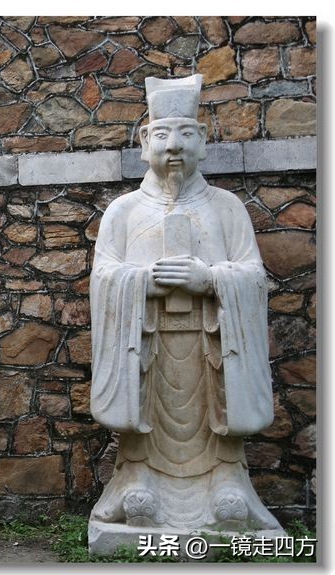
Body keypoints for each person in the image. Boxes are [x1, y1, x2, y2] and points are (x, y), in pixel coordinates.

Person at [89, 75, 281, 536]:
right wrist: (143, 283)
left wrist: (210, 279)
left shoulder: (227, 208)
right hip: (147, 344)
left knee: (217, 411)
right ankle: (139, 476)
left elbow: (254, 277)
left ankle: (225, 478)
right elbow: (103, 277)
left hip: (210, 345)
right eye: (162, 134)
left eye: (185, 134)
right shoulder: (124, 211)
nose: (174, 145)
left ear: (203, 139)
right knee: (145, 412)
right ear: (144, 142)